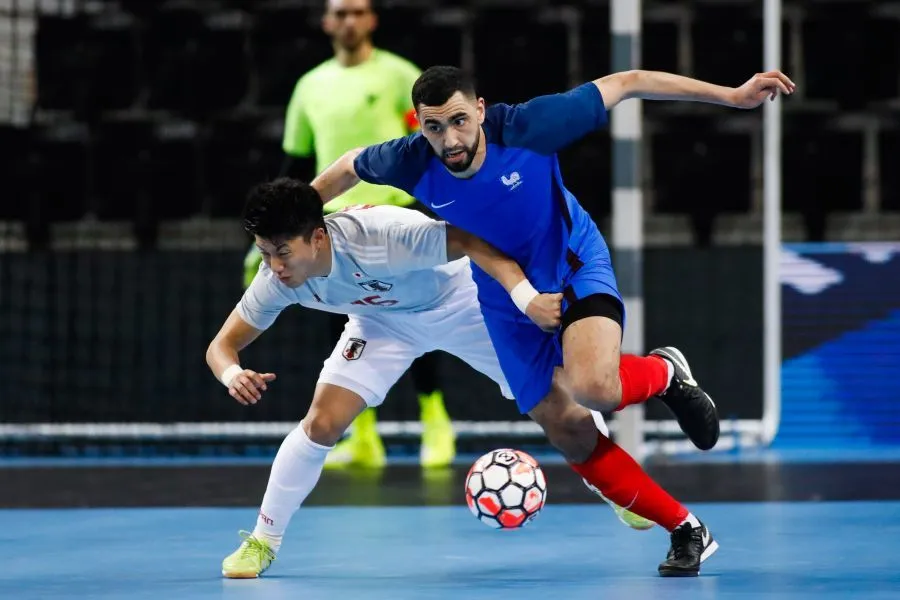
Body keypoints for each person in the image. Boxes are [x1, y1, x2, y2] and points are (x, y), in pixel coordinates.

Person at [308, 66, 796, 576]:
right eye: (433, 127)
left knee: (594, 388)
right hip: (502, 298)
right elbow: (348, 165)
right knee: (570, 430)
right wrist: (301, 212)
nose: (449, 140)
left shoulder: (529, 126)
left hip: (571, 264)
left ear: (479, 109)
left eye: (458, 121)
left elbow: (627, 82)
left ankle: (665, 373)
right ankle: (685, 529)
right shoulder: (409, 160)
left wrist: (732, 95)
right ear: (420, 125)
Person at [209, 179, 652, 579]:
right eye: (265, 252)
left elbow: (472, 241)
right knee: (321, 423)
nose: (275, 266)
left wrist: (524, 297)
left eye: (282, 253)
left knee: (561, 403)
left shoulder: (385, 238)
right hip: (380, 322)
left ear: (318, 237)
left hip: (462, 302)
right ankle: (263, 541)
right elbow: (221, 347)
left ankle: (612, 484)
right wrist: (232, 373)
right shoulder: (277, 280)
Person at [242, 0, 453, 469]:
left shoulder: (401, 76)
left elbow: (430, 146)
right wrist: (270, 234)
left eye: (357, 12)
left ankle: (435, 423)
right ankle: (362, 437)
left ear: (372, 20)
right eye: (340, 13)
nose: (348, 21)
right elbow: (295, 165)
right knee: (345, 328)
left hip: (396, 220)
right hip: (329, 229)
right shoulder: (310, 86)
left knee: (416, 321)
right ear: (326, 22)